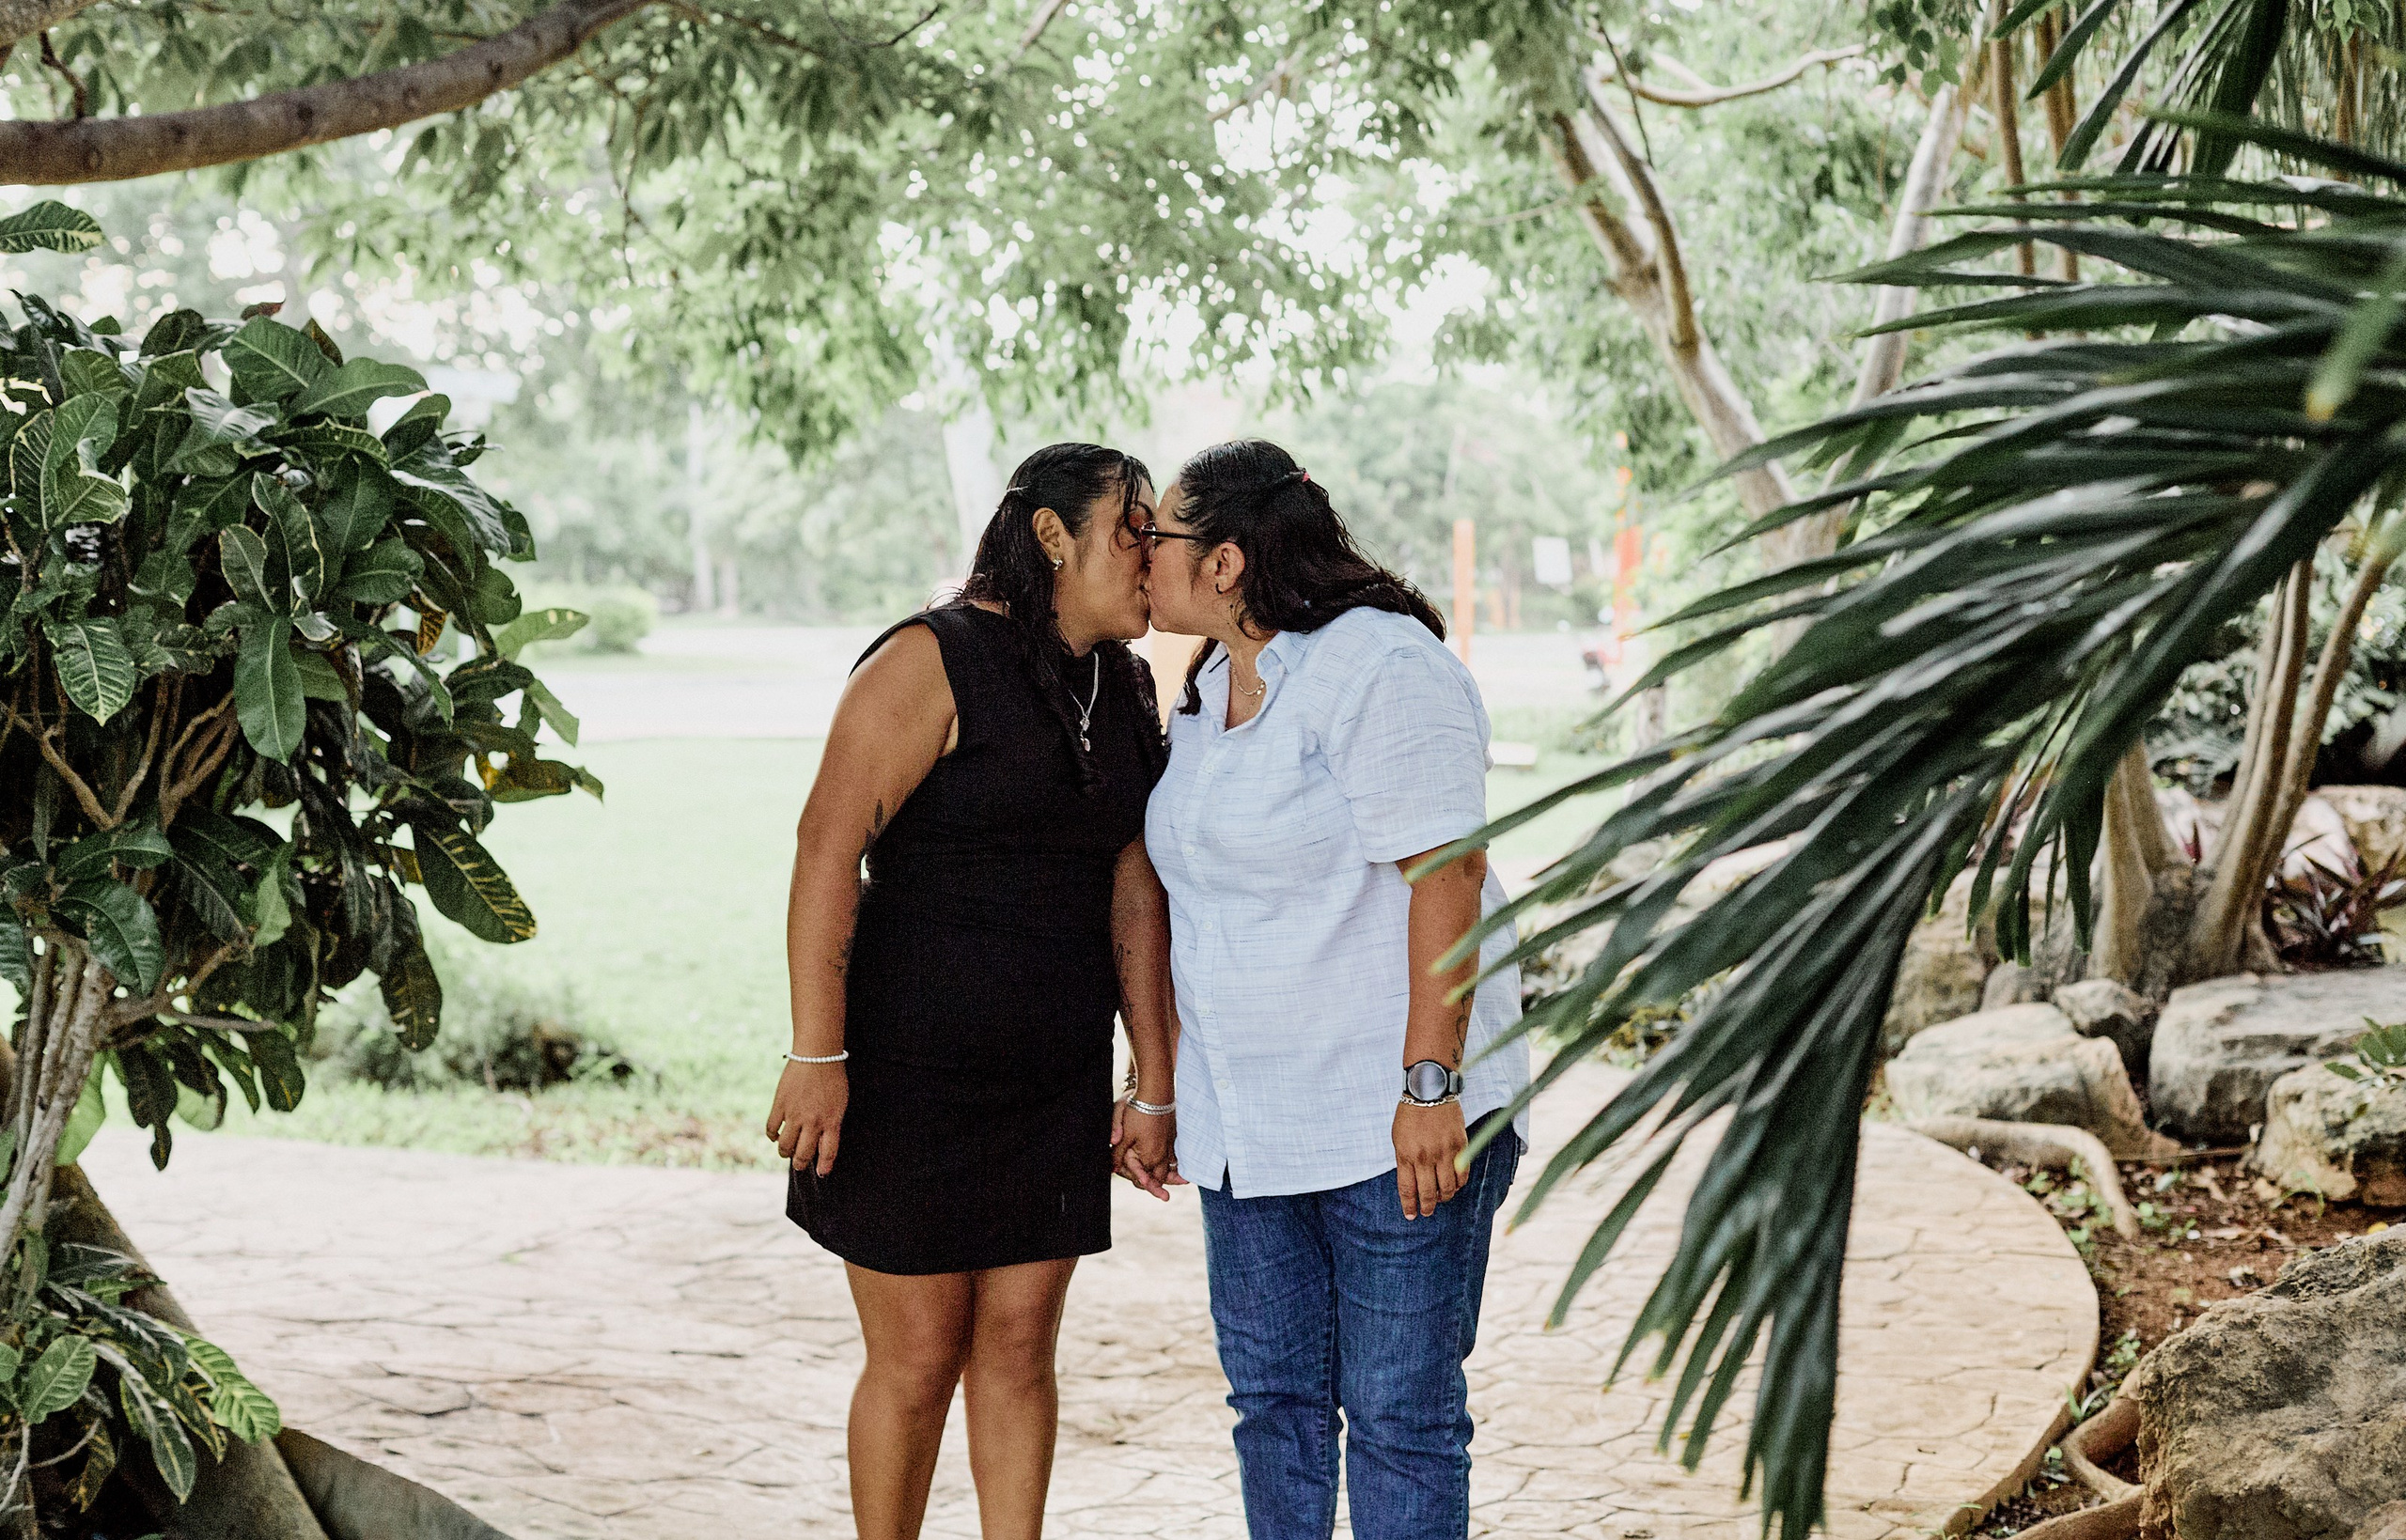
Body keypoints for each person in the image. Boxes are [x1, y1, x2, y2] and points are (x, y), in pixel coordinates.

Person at [764, 443, 1181, 1540]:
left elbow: (1134, 884)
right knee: (914, 1357)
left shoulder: (1121, 680)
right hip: (908, 1077)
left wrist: (1153, 1079)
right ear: (1054, 536)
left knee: (1018, 1351)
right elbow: (824, 851)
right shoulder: (928, 658)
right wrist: (816, 1054)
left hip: (1050, 1079)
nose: (1156, 551)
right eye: (1134, 527)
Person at [1137, 438, 1528, 1540]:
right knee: (1275, 1410)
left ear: (1222, 560)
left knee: (1399, 1417)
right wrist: (1164, 1087)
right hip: (1247, 1130)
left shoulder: (1380, 666)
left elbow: (1446, 875)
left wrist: (1428, 1084)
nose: (1140, 554)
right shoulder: (1213, 681)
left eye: (1155, 534)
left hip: (1389, 1119)